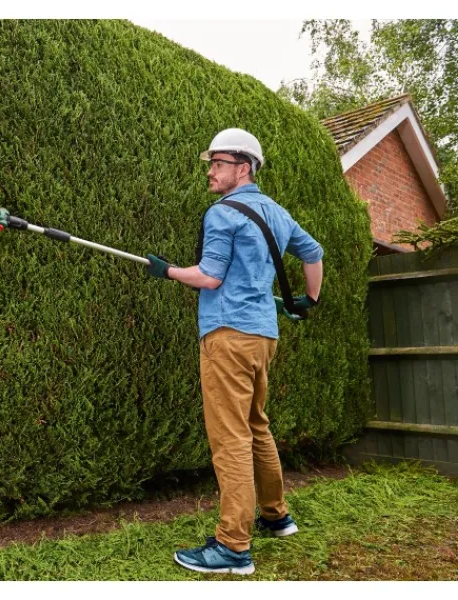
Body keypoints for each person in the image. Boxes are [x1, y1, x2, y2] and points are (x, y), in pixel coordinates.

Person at [145, 128, 324, 576]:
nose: (210, 171)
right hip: (263, 337)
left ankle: (233, 547)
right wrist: (308, 300)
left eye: (218, 163)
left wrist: (167, 271)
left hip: (227, 335)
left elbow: (209, 277)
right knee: (256, 426)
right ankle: (276, 516)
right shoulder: (277, 212)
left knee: (231, 438)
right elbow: (313, 252)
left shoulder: (222, 213)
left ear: (243, 168)